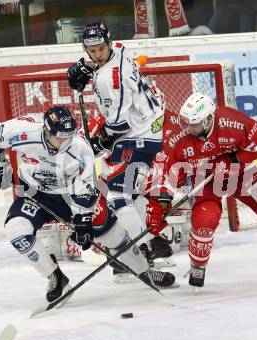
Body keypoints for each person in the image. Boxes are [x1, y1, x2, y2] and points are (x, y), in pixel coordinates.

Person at [0, 106, 176, 303]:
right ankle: (55, 277)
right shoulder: (22, 131)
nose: (65, 142)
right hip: (34, 195)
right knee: (16, 230)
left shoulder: (80, 148)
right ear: (46, 131)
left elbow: (82, 192)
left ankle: (144, 270)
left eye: (69, 136)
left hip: (70, 195)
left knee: (113, 235)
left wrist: (82, 222)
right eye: (60, 137)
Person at [145, 92, 257, 290]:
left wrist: (232, 159)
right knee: (205, 219)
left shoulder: (232, 122)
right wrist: (159, 205)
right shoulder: (180, 138)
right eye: (187, 123)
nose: (189, 128)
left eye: (194, 124)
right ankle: (198, 266)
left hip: (241, 172)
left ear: (208, 119)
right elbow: (169, 173)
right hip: (203, 180)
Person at [66, 21, 174, 281]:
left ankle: (144, 249)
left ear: (109, 43)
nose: (96, 55)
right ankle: (154, 243)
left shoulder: (108, 80)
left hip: (137, 136)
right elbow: (101, 61)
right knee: (130, 194)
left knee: (116, 195)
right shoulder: (121, 50)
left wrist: (98, 144)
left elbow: (117, 126)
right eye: (91, 51)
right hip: (148, 127)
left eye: (100, 49)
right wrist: (84, 66)